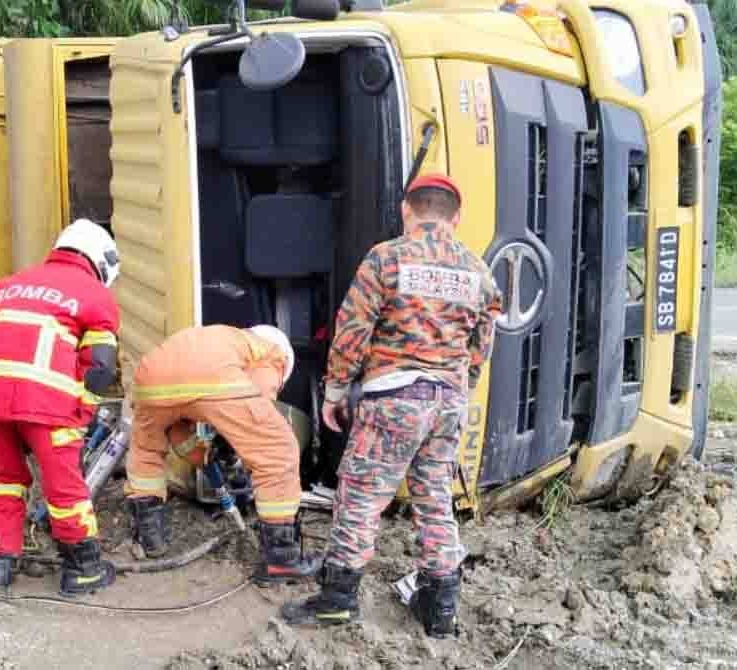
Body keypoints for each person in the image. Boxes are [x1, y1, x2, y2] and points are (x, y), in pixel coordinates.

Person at [281, 173, 503, 637]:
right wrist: (460, 388)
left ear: (407, 210)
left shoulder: (386, 258)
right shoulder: (479, 272)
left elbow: (353, 329)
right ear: (455, 218)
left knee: (360, 498)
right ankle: (440, 611)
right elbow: (481, 348)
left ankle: (337, 600)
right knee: (434, 498)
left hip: (395, 398)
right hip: (448, 401)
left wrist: (337, 391)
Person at [0, 218, 122, 597]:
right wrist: (82, 413)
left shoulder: (8, 285)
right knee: (64, 486)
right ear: (101, 261)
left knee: (2, 479)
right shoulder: (95, 296)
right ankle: (83, 570)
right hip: (46, 404)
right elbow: (100, 367)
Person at [124, 324, 320, 585]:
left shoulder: (217, 338)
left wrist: (206, 455)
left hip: (149, 380)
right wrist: (238, 439)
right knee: (277, 451)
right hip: (208, 379)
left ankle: (150, 539)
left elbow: (180, 429)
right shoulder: (271, 352)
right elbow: (259, 399)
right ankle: (281, 560)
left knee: (146, 451)